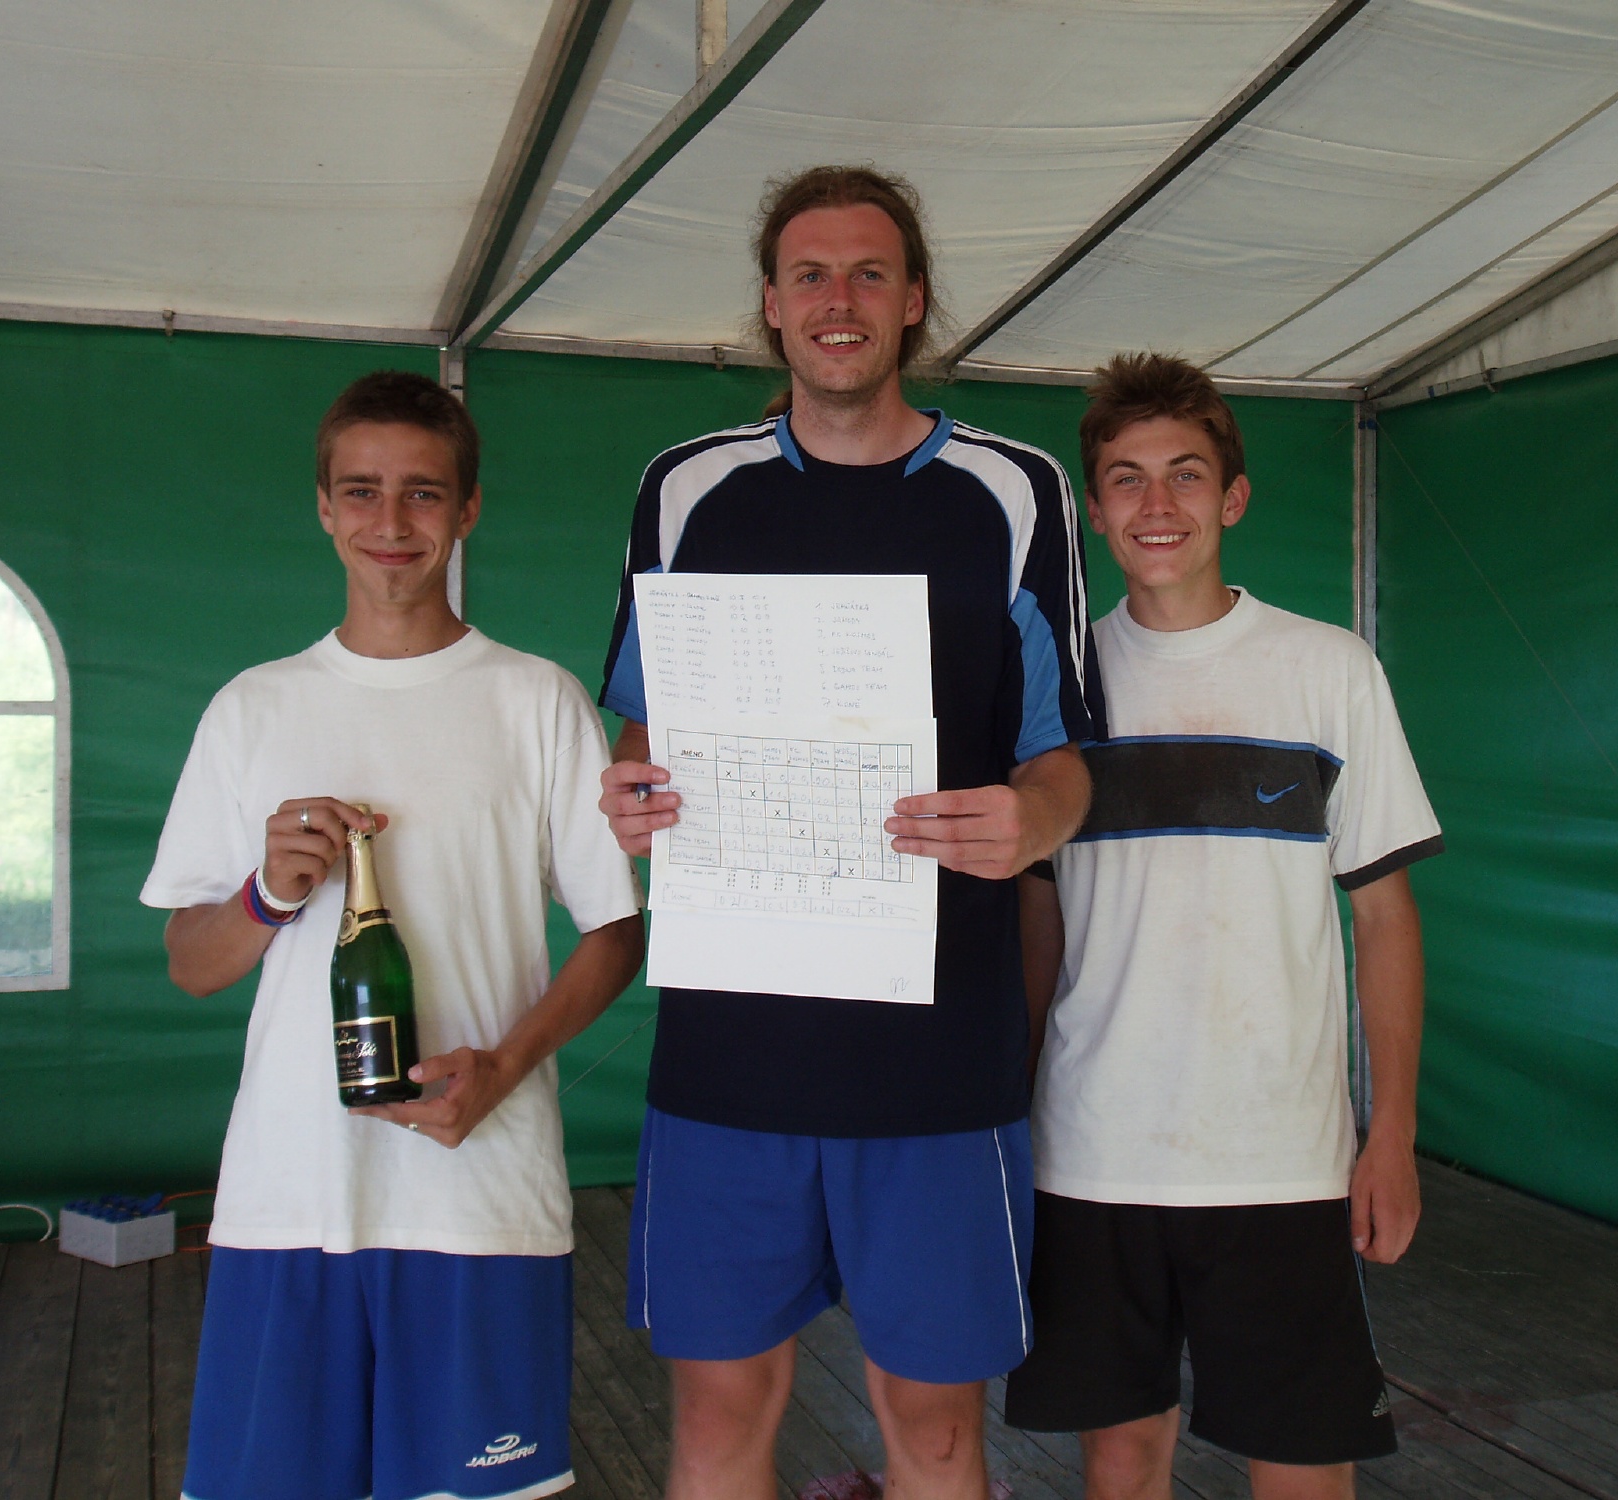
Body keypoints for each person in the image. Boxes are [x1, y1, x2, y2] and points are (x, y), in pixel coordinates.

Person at [595, 166, 1104, 1500]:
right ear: (769, 304)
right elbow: (643, 725)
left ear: (915, 298)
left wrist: (1028, 820)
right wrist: (632, 788)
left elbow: (1066, 758)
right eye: (810, 274)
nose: (840, 299)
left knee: (932, 1429)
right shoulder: (686, 488)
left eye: (870, 272)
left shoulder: (1016, 490)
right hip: (728, 1057)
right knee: (718, 1416)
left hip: (937, 1061)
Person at [141, 370, 645, 1500]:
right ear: (323, 507)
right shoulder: (253, 707)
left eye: (423, 493)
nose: (391, 522)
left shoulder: (537, 700)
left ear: (468, 510)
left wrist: (503, 1068)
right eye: (362, 491)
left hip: (481, 1198)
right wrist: (265, 896)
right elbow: (189, 964)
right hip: (291, 1197)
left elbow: (616, 932)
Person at [1004, 353, 1440, 1500]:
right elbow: (1037, 915)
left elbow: (1384, 919)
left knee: (1300, 1465)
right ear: (1093, 511)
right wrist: (1009, 1103)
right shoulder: (1058, 687)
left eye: (1185, 475)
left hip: (1281, 1158)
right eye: (1126, 479)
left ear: (1233, 497)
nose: (1157, 505)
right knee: (1121, 1458)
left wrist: (1389, 1135)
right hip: (1091, 1149)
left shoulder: (1329, 670)